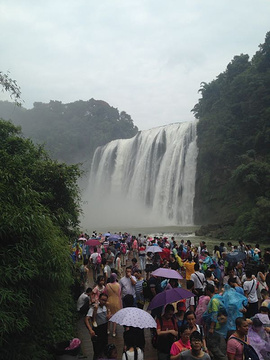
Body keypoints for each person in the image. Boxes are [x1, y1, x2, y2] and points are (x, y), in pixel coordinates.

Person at [85, 293, 111, 360]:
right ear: (99, 299)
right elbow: (86, 319)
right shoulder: (94, 308)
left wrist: (109, 315)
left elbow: (109, 315)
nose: (103, 302)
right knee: (97, 351)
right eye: (102, 300)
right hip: (97, 331)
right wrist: (90, 330)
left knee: (105, 349)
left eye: (105, 300)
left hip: (105, 330)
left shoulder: (106, 307)